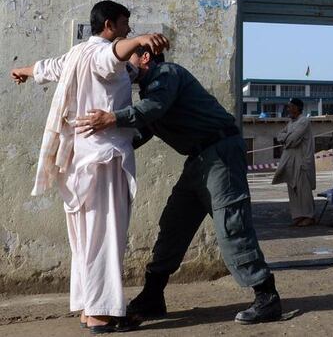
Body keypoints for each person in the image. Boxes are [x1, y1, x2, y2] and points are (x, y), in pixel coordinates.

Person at [73, 47, 283, 325]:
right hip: (198, 159)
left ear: (146, 58)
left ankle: (266, 296)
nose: (124, 63)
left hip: (220, 153)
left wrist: (111, 118)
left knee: (232, 225)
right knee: (173, 224)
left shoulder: (166, 74)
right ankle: (152, 296)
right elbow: (140, 132)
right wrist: (96, 151)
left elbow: (153, 110)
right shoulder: (150, 93)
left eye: (130, 58)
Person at [10, 0, 168, 333]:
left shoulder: (75, 56)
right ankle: (101, 314)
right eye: (125, 23)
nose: (128, 27)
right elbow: (113, 55)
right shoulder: (100, 55)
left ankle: (87, 308)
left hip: (77, 162)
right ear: (109, 25)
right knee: (104, 238)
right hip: (101, 161)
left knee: (84, 240)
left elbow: (44, 68)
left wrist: (21, 71)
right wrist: (139, 41)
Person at [272, 98, 316, 227]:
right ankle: (298, 215)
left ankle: (309, 216)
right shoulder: (291, 122)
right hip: (291, 161)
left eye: (290, 106)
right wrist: (286, 138)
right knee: (293, 188)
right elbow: (279, 136)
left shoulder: (304, 121)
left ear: (297, 108)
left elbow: (292, 140)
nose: (288, 109)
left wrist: (286, 139)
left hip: (302, 161)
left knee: (304, 190)